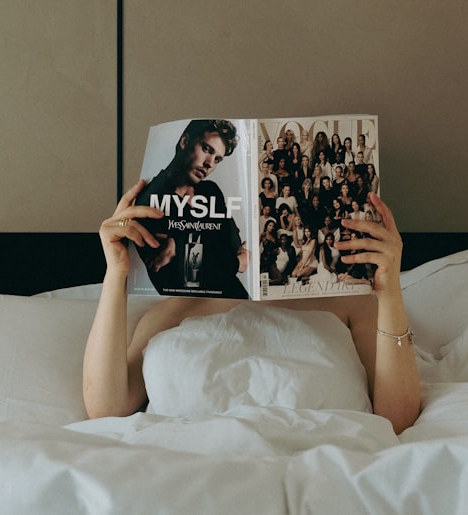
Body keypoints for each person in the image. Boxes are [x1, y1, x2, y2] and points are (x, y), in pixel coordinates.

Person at [83, 182, 421, 434]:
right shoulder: (171, 312)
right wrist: (116, 273)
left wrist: (389, 292)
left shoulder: (346, 301)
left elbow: (399, 416)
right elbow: (106, 408)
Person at [132, 119, 249, 298]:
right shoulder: (150, 201)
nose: (210, 163)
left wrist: (177, 244)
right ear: (185, 142)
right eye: (207, 149)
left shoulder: (210, 191)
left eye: (217, 159)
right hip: (188, 312)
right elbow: (183, 278)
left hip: (239, 302)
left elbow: (233, 243)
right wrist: (234, 263)